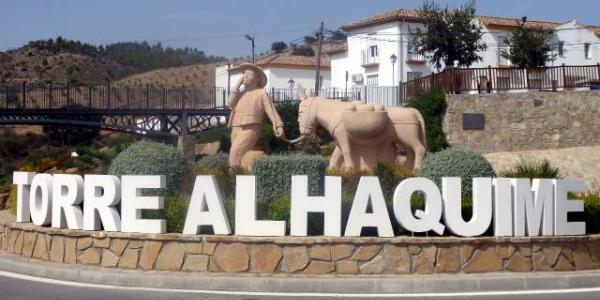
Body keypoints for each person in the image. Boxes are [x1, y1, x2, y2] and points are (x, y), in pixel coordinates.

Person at [227, 63, 285, 168]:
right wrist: (237, 86)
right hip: (236, 126)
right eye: (244, 74)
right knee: (239, 156)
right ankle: (242, 175)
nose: (245, 76)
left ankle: (234, 177)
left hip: (251, 127)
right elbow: (229, 103)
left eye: (249, 74)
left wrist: (278, 125)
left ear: (257, 79)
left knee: (234, 153)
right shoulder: (240, 93)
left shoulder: (261, 93)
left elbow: (271, 110)